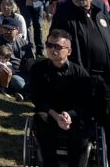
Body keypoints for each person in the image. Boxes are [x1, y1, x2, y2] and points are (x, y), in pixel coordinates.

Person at [51, 0, 110, 165]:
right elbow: (57, 42)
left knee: (104, 119)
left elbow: (109, 43)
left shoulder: (100, 13)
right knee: (82, 120)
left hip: (105, 78)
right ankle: (81, 160)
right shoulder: (65, 14)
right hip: (81, 77)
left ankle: (109, 157)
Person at [29, 29, 94, 167]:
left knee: (83, 127)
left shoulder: (80, 73)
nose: (52, 49)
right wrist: (55, 115)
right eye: (49, 45)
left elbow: (85, 102)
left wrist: (69, 115)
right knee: (41, 118)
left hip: (73, 116)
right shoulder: (38, 69)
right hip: (50, 113)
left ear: (69, 51)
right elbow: (37, 98)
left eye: (58, 47)